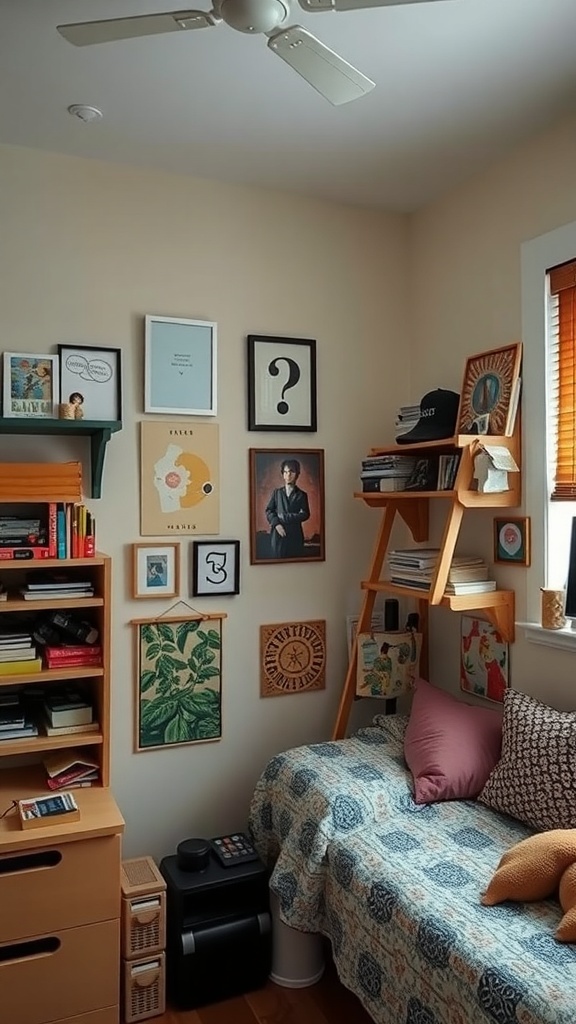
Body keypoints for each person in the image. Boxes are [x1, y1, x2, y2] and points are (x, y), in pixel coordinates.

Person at [265, 458, 310, 559]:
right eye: (285, 472)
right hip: (278, 534)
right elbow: (269, 510)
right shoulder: (277, 493)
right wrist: (276, 524)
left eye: (291, 472)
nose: (288, 475)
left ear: (297, 474)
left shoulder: (302, 495)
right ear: (283, 474)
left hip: (295, 535)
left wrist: (286, 517)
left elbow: (305, 514)